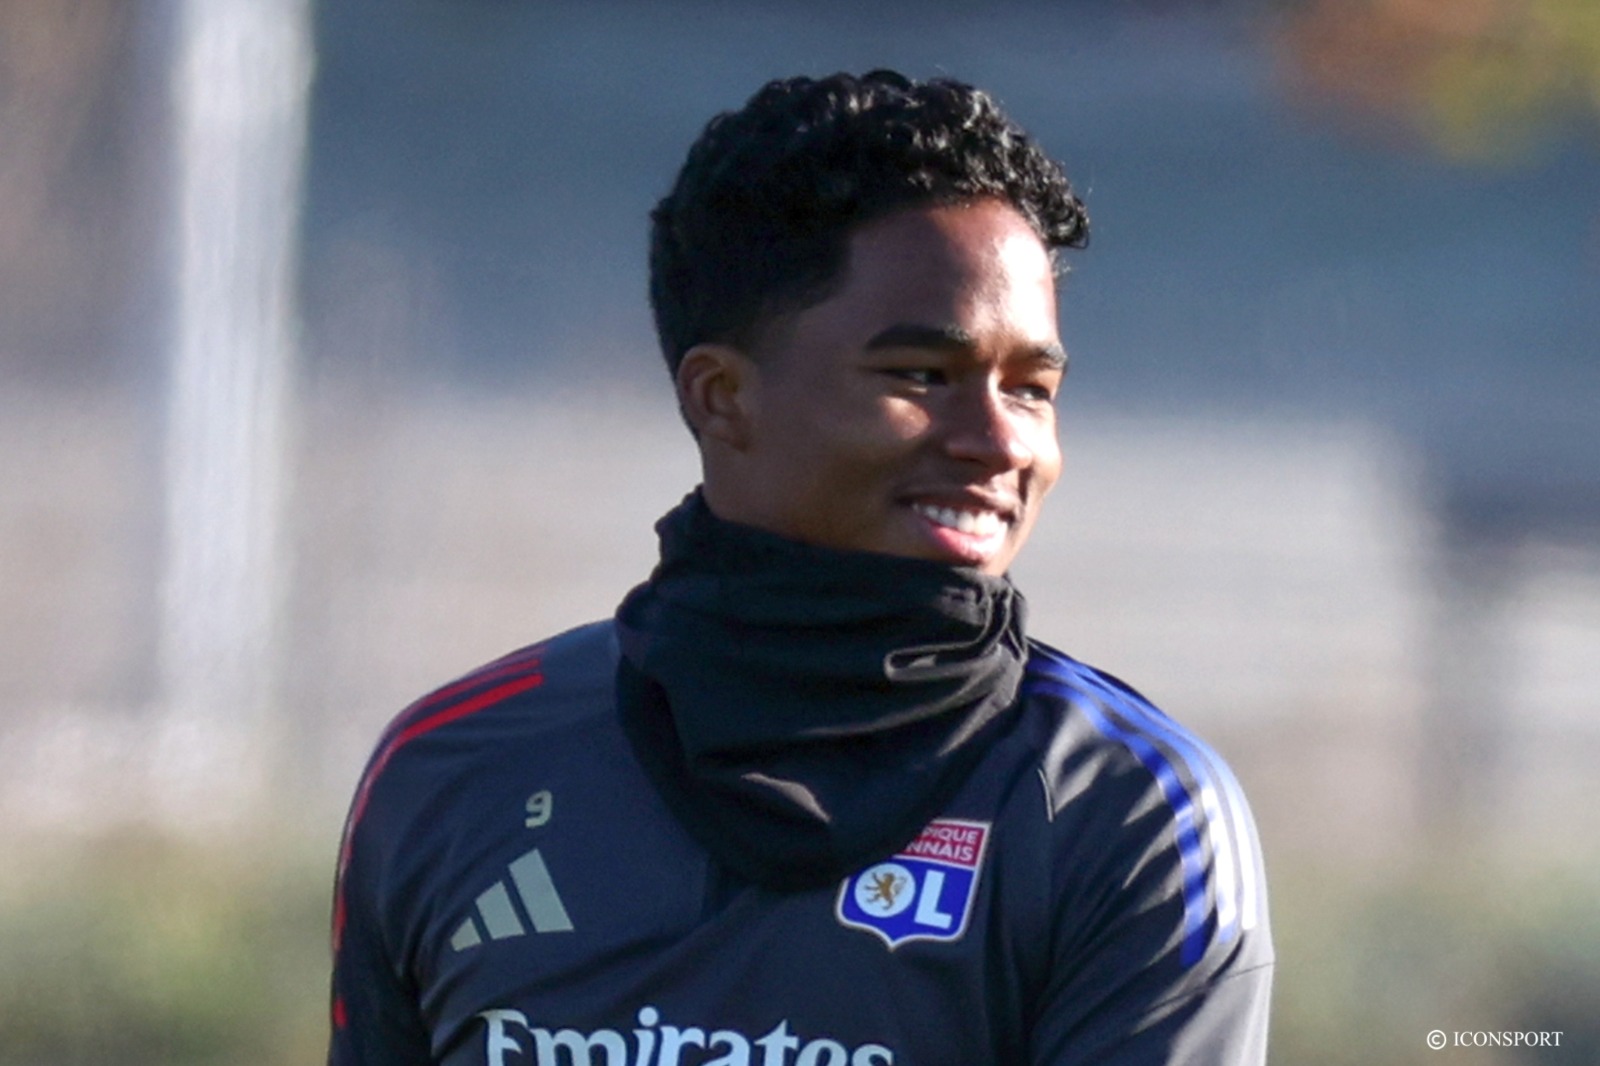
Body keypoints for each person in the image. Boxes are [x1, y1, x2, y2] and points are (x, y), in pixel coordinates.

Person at [328, 69, 1273, 1065]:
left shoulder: (1123, 813)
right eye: (922, 375)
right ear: (721, 397)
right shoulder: (457, 771)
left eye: (1031, 388)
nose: (1001, 442)